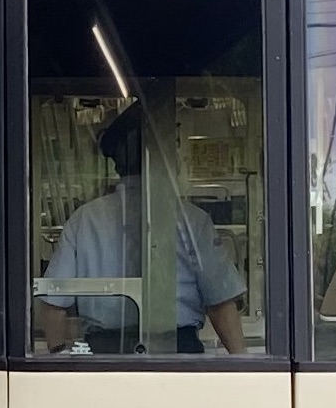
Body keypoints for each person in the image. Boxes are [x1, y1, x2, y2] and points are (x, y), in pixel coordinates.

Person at [37, 104, 246, 355]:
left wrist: (59, 357)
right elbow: (220, 303)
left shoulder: (83, 219)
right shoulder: (192, 220)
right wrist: (245, 365)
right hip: (180, 355)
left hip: (102, 358)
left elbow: (53, 303)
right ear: (163, 155)